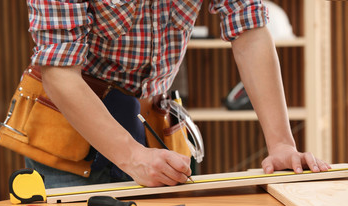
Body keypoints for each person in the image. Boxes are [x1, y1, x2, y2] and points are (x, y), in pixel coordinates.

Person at [25, 0, 331, 188]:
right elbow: (59, 71)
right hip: (68, 139)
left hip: (152, 129)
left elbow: (249, 28)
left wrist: (280, 144)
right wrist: (132, 157)